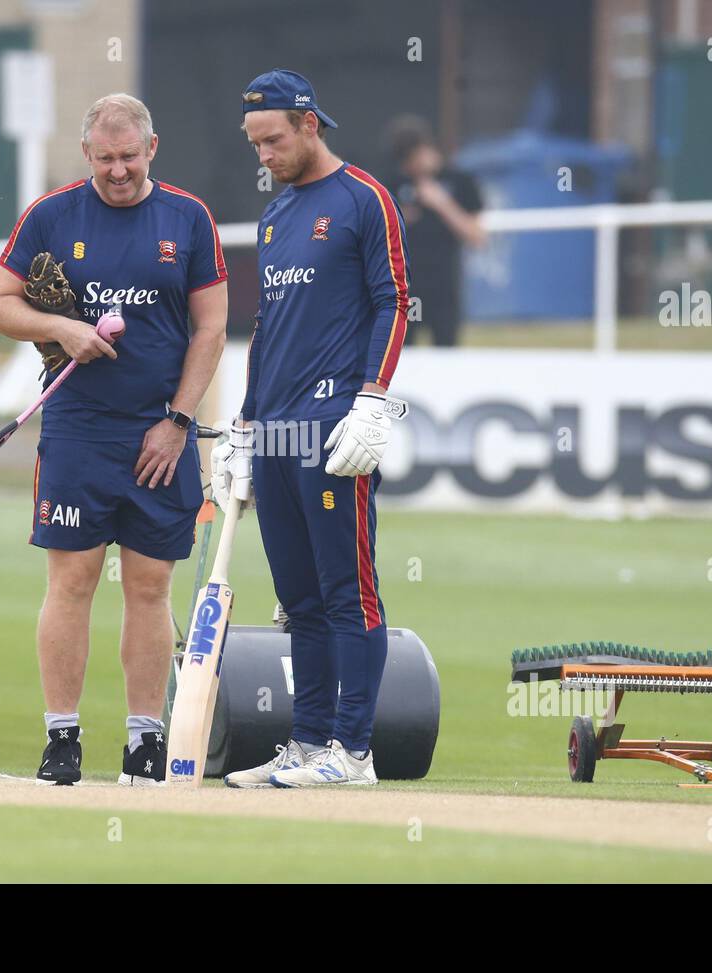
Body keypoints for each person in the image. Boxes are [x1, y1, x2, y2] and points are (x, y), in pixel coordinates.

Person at [0, 93, 228, 786]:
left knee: (150, 587)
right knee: (73, 580)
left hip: (161, 434)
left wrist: (178, 422)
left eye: (129, 157)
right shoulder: (51, 216)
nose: (118, 171)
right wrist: (60, 329)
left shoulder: (188, 217)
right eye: (104, 158)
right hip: (79, 432)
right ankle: (62, 739)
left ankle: (144, 743)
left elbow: (210, 329)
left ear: (153, 148)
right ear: (85, 154)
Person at [212, 69, 409, 788]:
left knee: (345, 592)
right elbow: (267, 330)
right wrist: (242, 424)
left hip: (334, 428)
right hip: (275, 433)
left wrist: (372, 398)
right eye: (255, 144)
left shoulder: (365, 199)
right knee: (298, 601)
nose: (263, 155)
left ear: (308, 124)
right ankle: (308, 741)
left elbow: (393, 302)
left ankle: (353, 752)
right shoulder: (274, 218)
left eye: (272, 140)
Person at [383, 114, 483, 347]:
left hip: (445, 290)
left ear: (426, 148)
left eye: (413, 158)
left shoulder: (460, 180)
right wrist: (400, 220)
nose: (409, 167)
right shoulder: (394, 183)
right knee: (400, 361)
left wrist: (442, 204)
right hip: (403, 292)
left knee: (447, 364)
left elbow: (477, 236)